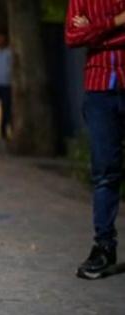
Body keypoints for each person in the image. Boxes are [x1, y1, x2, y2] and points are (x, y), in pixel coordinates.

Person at [65, 0, 125, 280]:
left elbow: (85, 35)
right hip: (100, 90)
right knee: (104, 173)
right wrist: (117, 22)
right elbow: (72, 37)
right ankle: (104, 247)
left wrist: (94, 30)